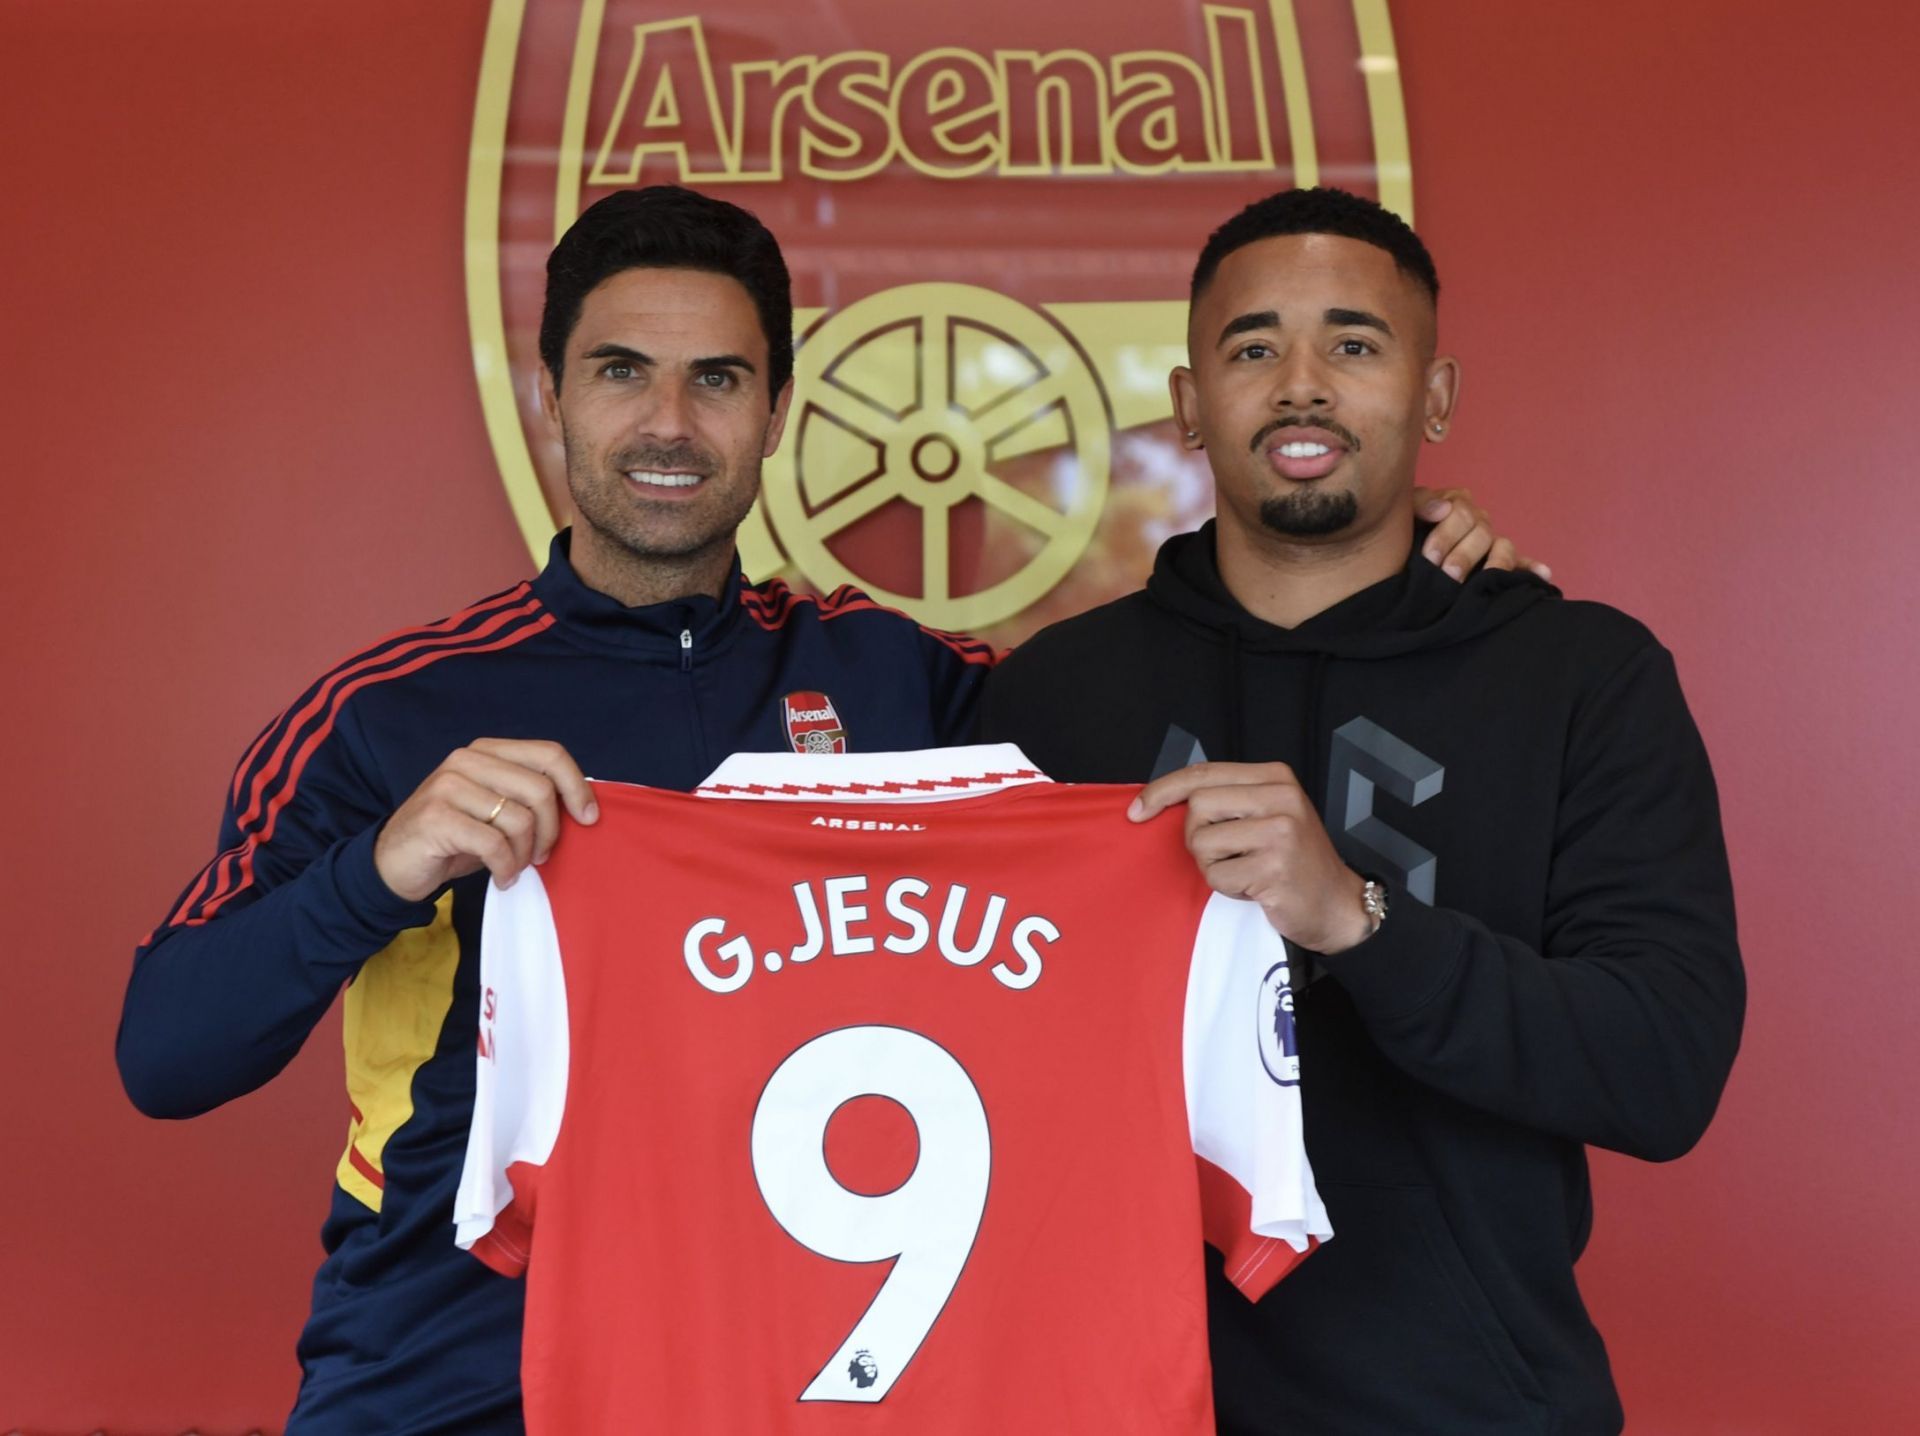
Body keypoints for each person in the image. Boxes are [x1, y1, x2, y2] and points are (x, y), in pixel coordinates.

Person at [116, 184, 1524, 1432]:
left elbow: (1177, 742)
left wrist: (1396, 559)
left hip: (796, 1369)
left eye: (718, 380)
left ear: (777, 411)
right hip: (454, 1373)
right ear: (550, 395)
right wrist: (383, 865)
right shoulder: (389, 713)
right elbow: (166, 1053)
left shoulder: (900, 679)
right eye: (621, 374)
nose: (669, 424)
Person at [976, 186, 1745, 1435]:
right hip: (1123, 1400)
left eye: (1353, 343)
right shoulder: (1054, 693)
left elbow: (1663, 1065)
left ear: (1434, 397)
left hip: (1469, 1407)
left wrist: (1359, 920)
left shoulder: (1584, 675)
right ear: (1187, 404)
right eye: (1253, 346)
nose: (1300, 384)